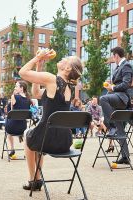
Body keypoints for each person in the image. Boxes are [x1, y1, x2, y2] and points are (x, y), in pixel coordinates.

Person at [19, 49, 83, 191]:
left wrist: (37, 57)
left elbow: (22, 73)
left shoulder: (51, 79)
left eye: (66, 59)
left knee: (27, 135)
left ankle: (33, 180)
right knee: (36, 136)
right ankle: (38, 178)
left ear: (67, 68)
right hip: (64, 141)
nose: (62, 58)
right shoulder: (70, 87)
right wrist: (39, 66)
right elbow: (36, 94)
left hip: (47, 139)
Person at [100, 46, 133, 165]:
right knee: (120, 130)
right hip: (116, 97)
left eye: (113, 57)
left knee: (103, 99)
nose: (113, 59)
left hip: (122, 98)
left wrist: (112, 87)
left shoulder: (126, 65)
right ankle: (125, 156)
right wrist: (111, 85)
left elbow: (126, 84)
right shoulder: (119, 67)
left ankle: (111, 125)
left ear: (116, 56)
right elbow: (118, 83)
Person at [5, 81, 31, 158]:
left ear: (21, 88)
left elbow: (11, 112)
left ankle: (12, 148)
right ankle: (26, 151)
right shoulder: (28, 99)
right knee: (23, 132)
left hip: (12, 128)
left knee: (8, 130)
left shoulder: (14, 96)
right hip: (23, 128)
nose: (14, 88)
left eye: (16, 86)